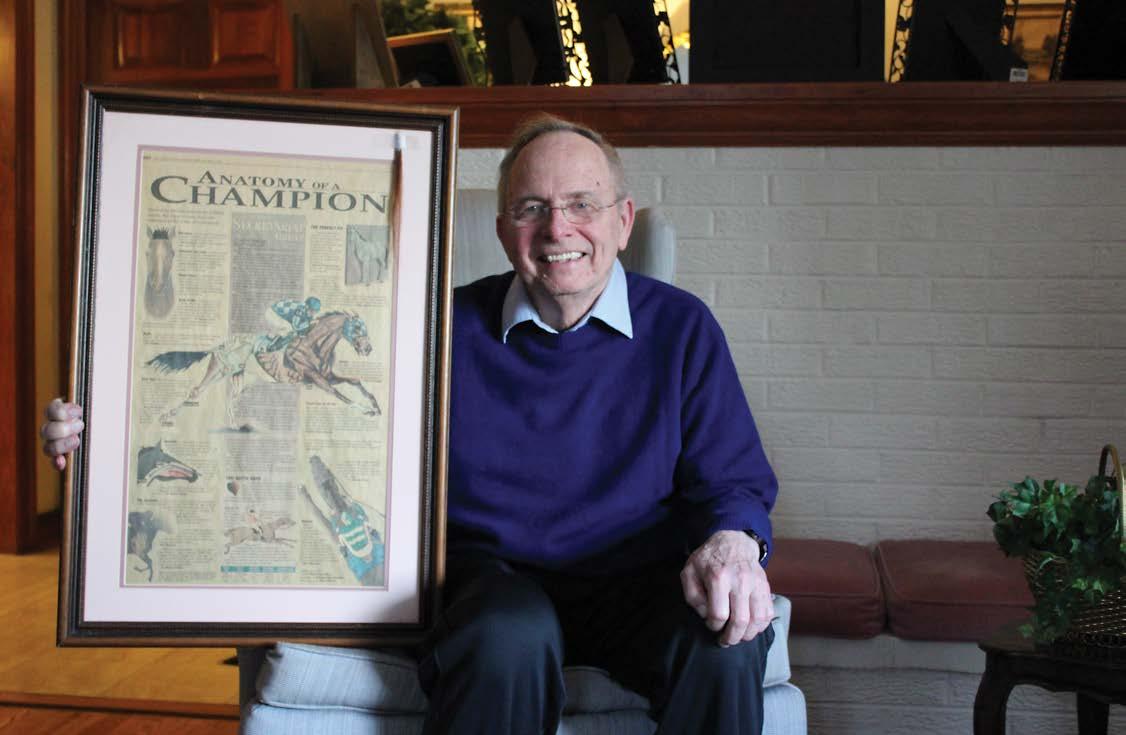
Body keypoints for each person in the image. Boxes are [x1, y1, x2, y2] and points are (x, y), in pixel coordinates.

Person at [41, 114, 779, 735]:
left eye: (583, 204)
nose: (558, 228)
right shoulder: (435, 326)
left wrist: (732, 544)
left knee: (726, 637)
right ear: (502, 230)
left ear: (623, 220)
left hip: (636, 576)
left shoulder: (682, 328)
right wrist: (105, 429)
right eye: (531, 208)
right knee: (506, 635)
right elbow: (292, 408)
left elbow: (733, 477)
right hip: (492, 577)